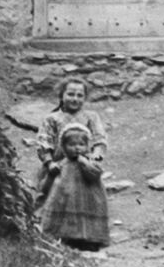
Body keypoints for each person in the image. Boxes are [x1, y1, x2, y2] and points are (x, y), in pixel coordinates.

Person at [36, 78, 111, 251]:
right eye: (70, 94)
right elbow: (43, 142)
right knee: (55, 197)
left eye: (80, 95)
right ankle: (54, 235)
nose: (75, 99)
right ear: (61, 95)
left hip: (84, 168)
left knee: (90, 200)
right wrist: (49, 163)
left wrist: (96, 156)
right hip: (58, 167)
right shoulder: (52, 118)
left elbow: (100, 139)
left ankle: (87, 237)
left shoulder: (91, 117)